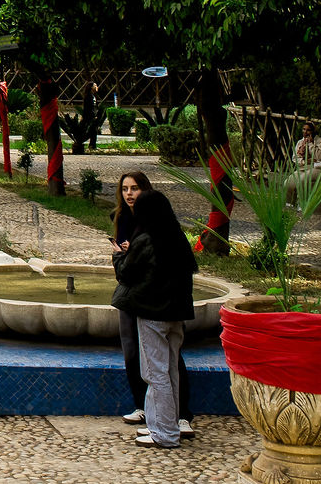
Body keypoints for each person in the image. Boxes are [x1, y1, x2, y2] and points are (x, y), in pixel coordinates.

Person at [113, 182, 198, 449]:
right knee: (170, 370)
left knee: (155, 373)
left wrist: (118, 256)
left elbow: (126, 273)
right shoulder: (176, 237)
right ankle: (165, 425)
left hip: (152, 314)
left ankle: (164, 434)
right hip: (176, 315)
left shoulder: (146, 238)